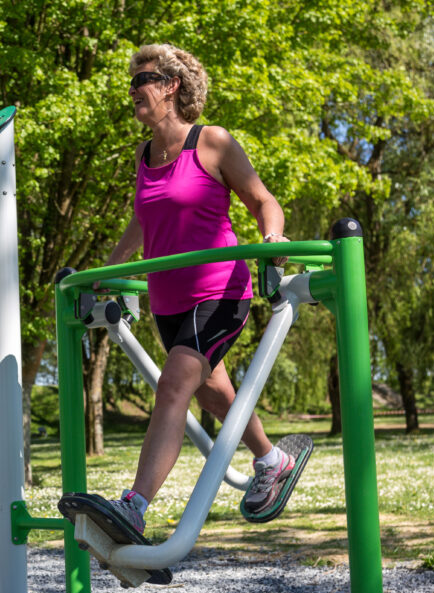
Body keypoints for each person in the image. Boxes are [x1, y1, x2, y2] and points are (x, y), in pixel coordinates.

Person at [79, 44, 299, 538]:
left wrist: (272, 239)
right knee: (213, 392)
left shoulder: (212, 142)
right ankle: (272, 459)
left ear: (170, 85)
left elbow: (265, 201)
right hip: (169, 301)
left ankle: (134, 507)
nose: (132, 92)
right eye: (131, 84)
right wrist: (106, 271)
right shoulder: (144, 155)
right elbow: (142, 219)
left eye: (141, 81)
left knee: (174, 385)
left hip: (220, 290)